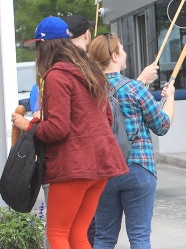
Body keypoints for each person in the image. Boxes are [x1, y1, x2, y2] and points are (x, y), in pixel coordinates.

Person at [11, 16, 129, 248]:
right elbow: (107, 117)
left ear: (45, 46)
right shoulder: (90, 71)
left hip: (74, 166)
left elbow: (57, 128)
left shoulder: (56, 76)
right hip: (101, 165)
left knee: (57, 233)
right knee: (78, 235)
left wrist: (31, 126)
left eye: (37, 46)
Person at [87, 33, 175, 249]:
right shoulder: (134, 88)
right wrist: (170, 99)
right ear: (115, 56)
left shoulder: (88, 90)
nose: (125, 53)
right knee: (139, 237)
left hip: (103, 170)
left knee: (104, 237)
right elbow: (161, 125)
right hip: (138, 165)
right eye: (123, 49)